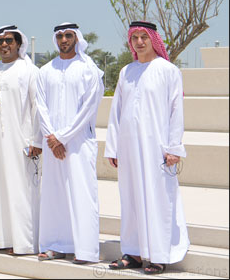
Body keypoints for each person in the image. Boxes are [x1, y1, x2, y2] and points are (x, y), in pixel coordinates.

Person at [105, 21, 189, 275]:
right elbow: (116, 113)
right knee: (130, 199)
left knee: (158, 200)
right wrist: (113, 148)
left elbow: (177, 111)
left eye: (144, 37)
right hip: (129, 148)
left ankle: (158, 255)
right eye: (135, 38)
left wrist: (174, 147)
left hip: (157, 150)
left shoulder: (168, 70)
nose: (139, 42)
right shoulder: (126, 71)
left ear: (153, 39)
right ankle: (132, 252)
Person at [35, 23, 104, 264]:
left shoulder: (89, 70)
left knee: (81, 194)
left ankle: (84, 250)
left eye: (68, 35)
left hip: (79, 143)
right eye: (60, 36)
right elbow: (40, 107)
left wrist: (61, 137)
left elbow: (88, 109)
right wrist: (52, 138)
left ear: (77, 38)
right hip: (52, 143)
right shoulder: (45, 70)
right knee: (54, 194)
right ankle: (55, 245)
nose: (64, 39)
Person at [0, 25, 42, 255]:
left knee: (18, 190)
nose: (4, 45)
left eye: (9, 40)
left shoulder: (29, 70)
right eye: (0, 41)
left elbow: (37, 108)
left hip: (19, 142)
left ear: (19, 43)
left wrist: (36, 139)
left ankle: (22, 241)